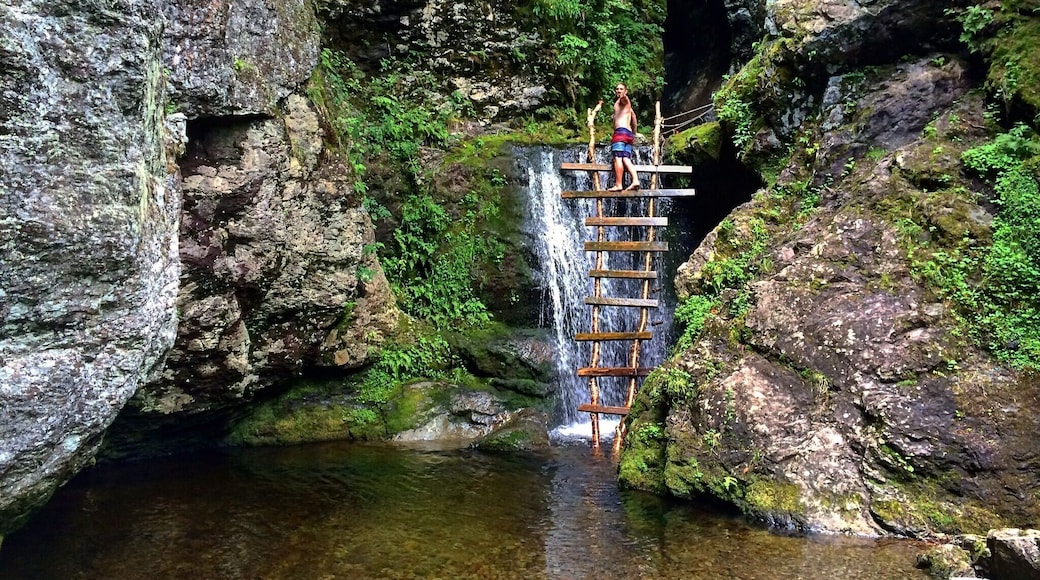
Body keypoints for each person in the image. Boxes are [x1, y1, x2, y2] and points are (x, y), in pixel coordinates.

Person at [608, 83, 640, 191]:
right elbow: (634, 118)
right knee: (626, 158)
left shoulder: (624, 101)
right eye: (617, 89)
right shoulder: (628, 107)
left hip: (620, 133)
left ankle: (618, 184)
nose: (618, 90)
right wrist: (634, 133)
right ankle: (635, 180)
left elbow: (624, 99)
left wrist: (624, 96)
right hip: (628, 134)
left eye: (621, 89)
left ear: (626, 91)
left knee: (618, 157)